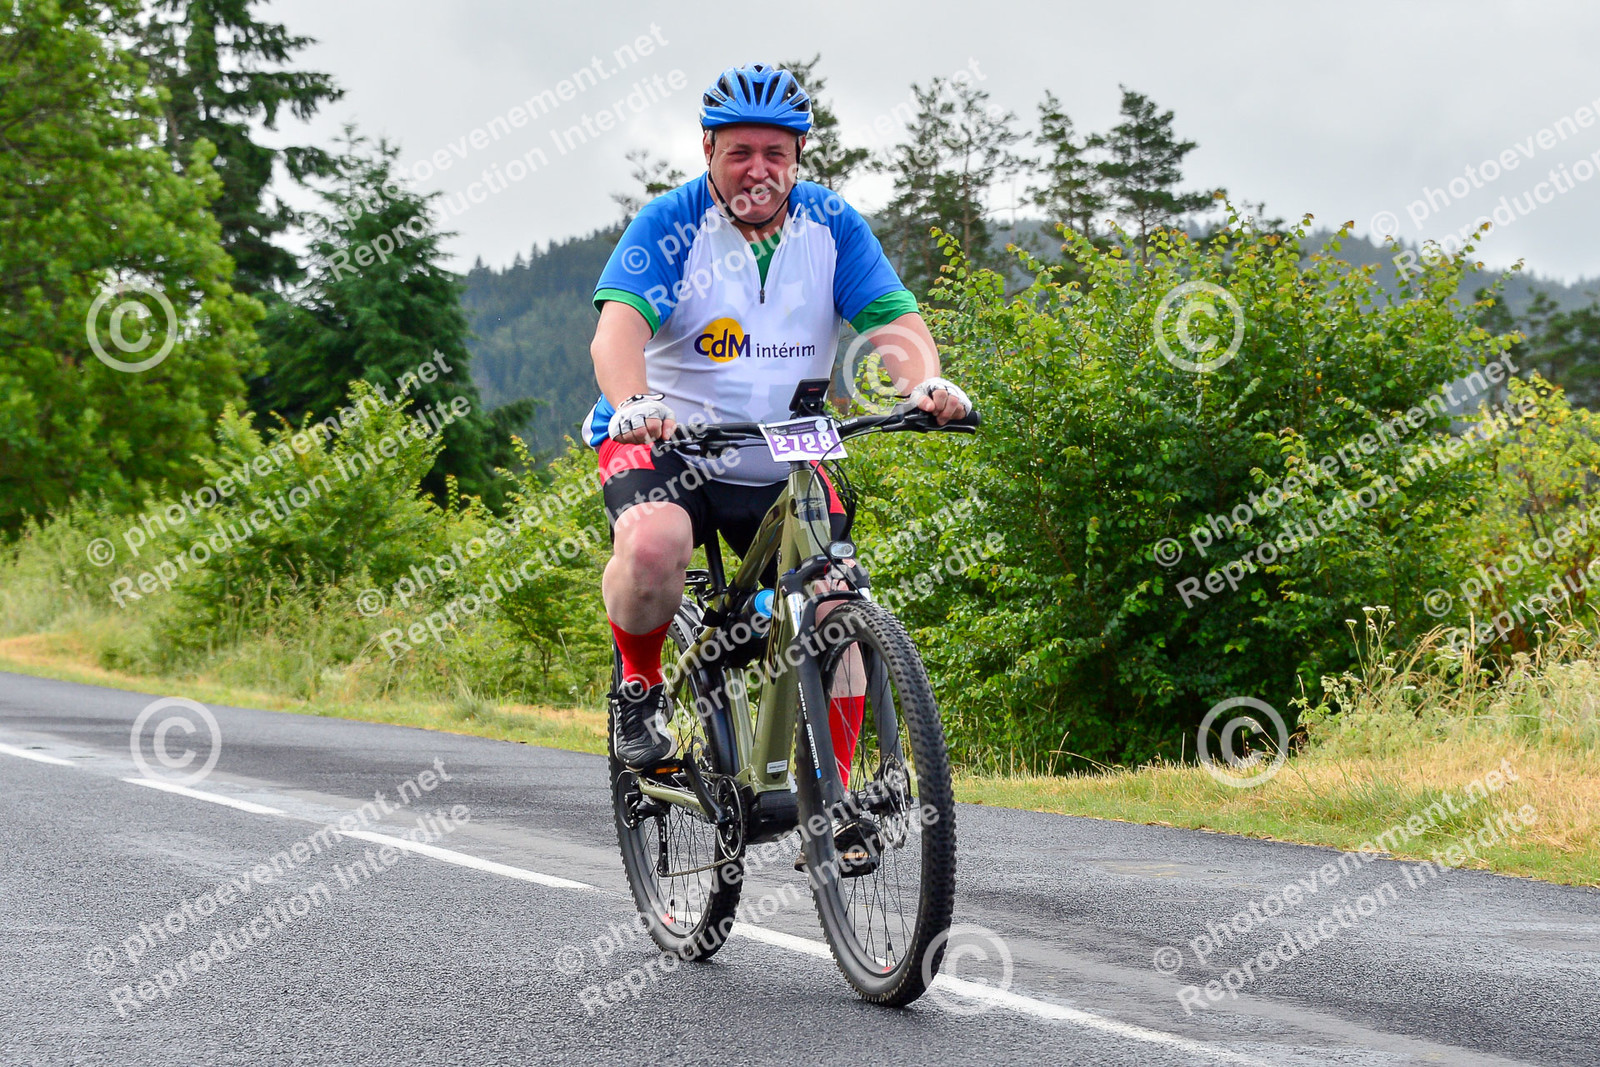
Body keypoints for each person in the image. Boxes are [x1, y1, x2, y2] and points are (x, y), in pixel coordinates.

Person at [585, 62, 971, 773]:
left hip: (785, 450)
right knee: (652, 546)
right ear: (708, 149)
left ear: (799, 155)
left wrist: (926, 384)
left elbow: (893, 322)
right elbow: (617, 333)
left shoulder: (832, 224)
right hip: (669, 443)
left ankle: (836, 801)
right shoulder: (669, 224)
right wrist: (635, 402)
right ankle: (639, 689)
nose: (758, 170)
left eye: (775, 153)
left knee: (834, 606)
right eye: (740, 152)